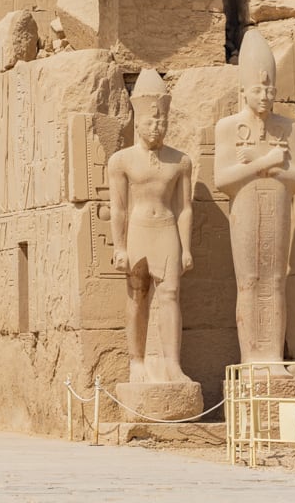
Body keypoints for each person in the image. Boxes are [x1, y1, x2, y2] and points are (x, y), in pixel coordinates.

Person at [215, 30, 295, 369]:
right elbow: (223, 179)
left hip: (278, 206)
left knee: (276, 280)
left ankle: (272, 355)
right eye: (258, 90)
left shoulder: (288, 127)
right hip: (246, 210)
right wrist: (267, 163)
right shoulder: (228, 128)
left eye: (270, 90)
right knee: (250, 281)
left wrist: (259, 166)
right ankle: (252, 356)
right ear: (243, 93)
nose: (265, 96)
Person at [108, 69, 194, 384]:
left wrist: (186, 248)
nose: (157, 127)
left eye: (162, 122)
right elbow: (118, 208)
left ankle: (173, 363)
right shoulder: (121, 161)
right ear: (138, 122)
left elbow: (184, 208)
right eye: (150, 121)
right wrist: (118, 247)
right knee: (137, 294)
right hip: (139, 230)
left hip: (167, 229)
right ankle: (137, 361)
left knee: (170, 294)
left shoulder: (181, 161)